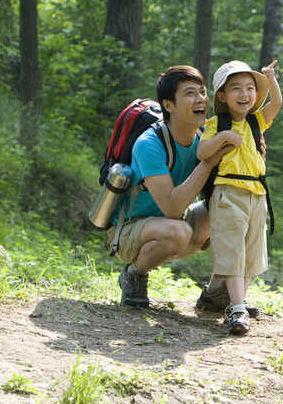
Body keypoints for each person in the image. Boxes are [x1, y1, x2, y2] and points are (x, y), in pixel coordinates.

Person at [109, 65, 263, 313]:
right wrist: (208, 161)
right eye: (190, 93)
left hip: (176, 222)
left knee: (235, 207)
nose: (201, 99)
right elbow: (171, 208)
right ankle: (134, 275)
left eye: (202, 92)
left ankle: (216, 291)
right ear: (168, 105)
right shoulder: (149, 144)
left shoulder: (205, 137)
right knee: (178, 231)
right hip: (130, 230)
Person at [196, 59, 283, 334]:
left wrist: (270, 78)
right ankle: (235, 307)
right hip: (227, 192)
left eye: (250, 88)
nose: (244, 94)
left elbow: (276, 105)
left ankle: (239, 302)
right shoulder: (217, 123)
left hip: (256, 193)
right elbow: (202, 152)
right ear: (222, 96)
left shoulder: (256, 121)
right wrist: (223, 136)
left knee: (250, 251)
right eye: (236, 89)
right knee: (233, 248)